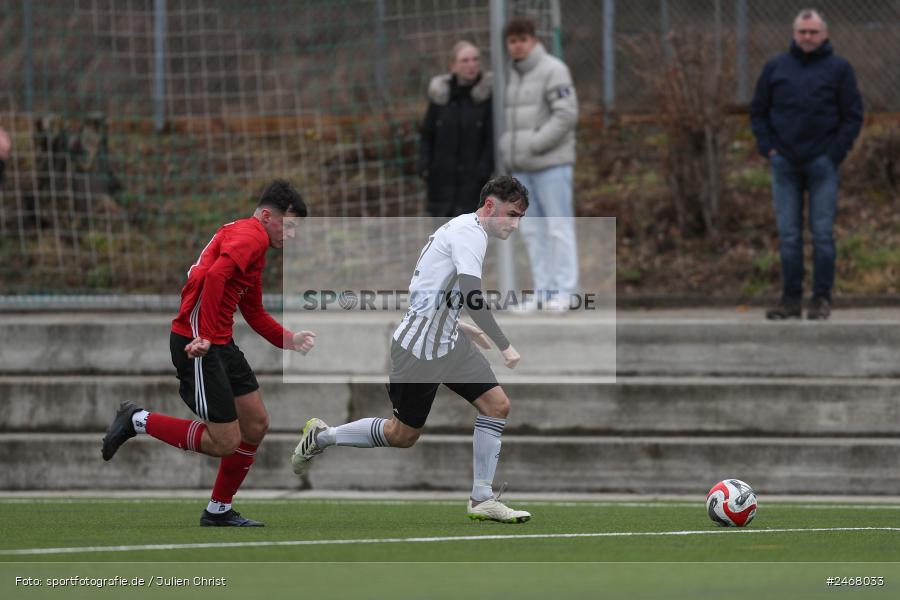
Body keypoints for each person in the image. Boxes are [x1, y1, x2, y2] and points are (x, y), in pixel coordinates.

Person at [291, 176, 532, 524]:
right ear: (490, 206)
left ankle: (481, 498)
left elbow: (427, 287)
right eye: (511, 214)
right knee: (401, 435)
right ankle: (323, 436)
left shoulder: (464, 228)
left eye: (520, 217)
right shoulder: (469, 233)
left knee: (497, 405)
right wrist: (504, 344)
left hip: (448, 342)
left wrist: (457, 324)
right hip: (419, 352)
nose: (514, 224)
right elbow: (472, 296)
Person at [101, 179, 317, 527]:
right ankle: (137, 419)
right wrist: (202, 337)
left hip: (218, 341)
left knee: (256, 424)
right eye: (288, 225)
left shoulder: (253, 244)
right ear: (266, 216)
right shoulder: (252, 236)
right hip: (198, 344)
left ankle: (218, 510)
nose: (290, 235)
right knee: (225, 441)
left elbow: (254, 311)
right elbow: (214, 278)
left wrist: (289, 340)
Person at [750, 8, 863, 320]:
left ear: (824, 34)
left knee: (823, 235)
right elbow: (758, 111)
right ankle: (790, 300)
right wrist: (768, 148)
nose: (807, 37)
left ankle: (821, 299)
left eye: (813, 32)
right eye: (802, 32)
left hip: (822, 164)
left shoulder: (840, 70)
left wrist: (834, 153)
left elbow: (852, 115)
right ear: (794, 34)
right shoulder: (775, 68)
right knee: (788, 236)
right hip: (784, 163)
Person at [500, 17, 578, 314]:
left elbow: (566, 114)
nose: (518, 45)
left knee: (558, 226)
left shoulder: (553, 70)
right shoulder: (510, 74)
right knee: (532, 231)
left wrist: (534, 144)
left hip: (551, 165)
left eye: (522, 39)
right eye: (512, 41)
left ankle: (566, 291)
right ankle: (543, 292)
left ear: (533, 40)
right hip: (522, 169)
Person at [418, 41, 494, 218]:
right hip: (440, 183)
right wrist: (425, 164)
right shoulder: (440, 97)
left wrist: (483, 170)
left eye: (475, 59)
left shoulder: (487, 98)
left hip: (474, 186)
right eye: (465, 60)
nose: (471, 64)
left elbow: (491, 139)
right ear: (453, 65)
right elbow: (427, 134)